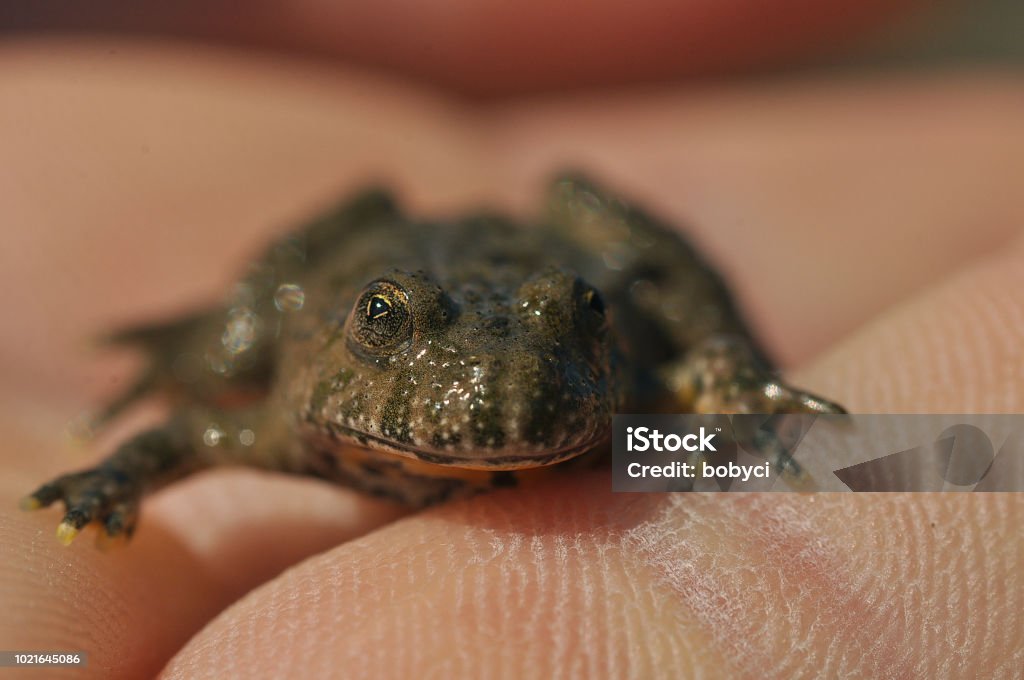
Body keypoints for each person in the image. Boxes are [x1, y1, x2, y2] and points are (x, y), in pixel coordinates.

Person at [0, 2, 1020, 677]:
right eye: (389, 332)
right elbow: (184, 442)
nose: (493, 397)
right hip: (381, 253)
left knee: (852, 454)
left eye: (569, 327)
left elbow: (792, 442)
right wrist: (108, 486)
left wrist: (728, 365)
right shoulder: (287, 422)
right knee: (226, 348)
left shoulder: (629, 427)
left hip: (548, 273)